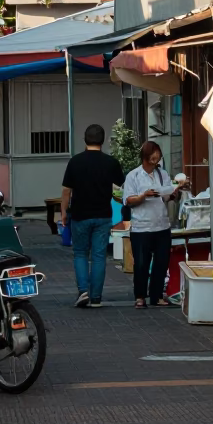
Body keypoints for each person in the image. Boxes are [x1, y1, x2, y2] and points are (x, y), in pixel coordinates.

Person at [60, 123, 124, 308]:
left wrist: (64, 212)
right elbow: (120, 188)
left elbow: (66, 191)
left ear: (85, 139)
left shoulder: (75, 161)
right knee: (98, 256)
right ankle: (96, 297)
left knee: (80, 253)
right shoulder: (111, 162)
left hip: (80, 214)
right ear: (103, 141)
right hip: (103, 215)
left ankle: (83, 291)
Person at [123, 141, 188, 308]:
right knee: (142, 263)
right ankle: (140, 296)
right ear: (145, 156)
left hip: (161, 225)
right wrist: (143, 195)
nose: (156, 158)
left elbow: (166, 197)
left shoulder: (162, 174)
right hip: (141, 227)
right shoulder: (133, 175)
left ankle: (157, 295)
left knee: (161, 262)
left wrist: (176, 192)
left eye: (158, 155)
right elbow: (128, 200)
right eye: (153, 155)